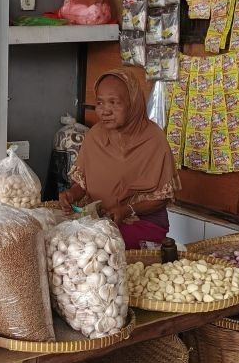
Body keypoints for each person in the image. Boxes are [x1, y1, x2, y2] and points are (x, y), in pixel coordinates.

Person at [59, 69, 180, 247]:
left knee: (99, 246)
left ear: (132, 103)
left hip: (142, 223)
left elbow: (161, 197)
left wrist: (127, 210)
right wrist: (71, 195)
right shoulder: (95, 136)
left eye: (114, 102)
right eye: (100, 103)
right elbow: (82, 185)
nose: (105, 111)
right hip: (100, 221)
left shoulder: (154, 139)